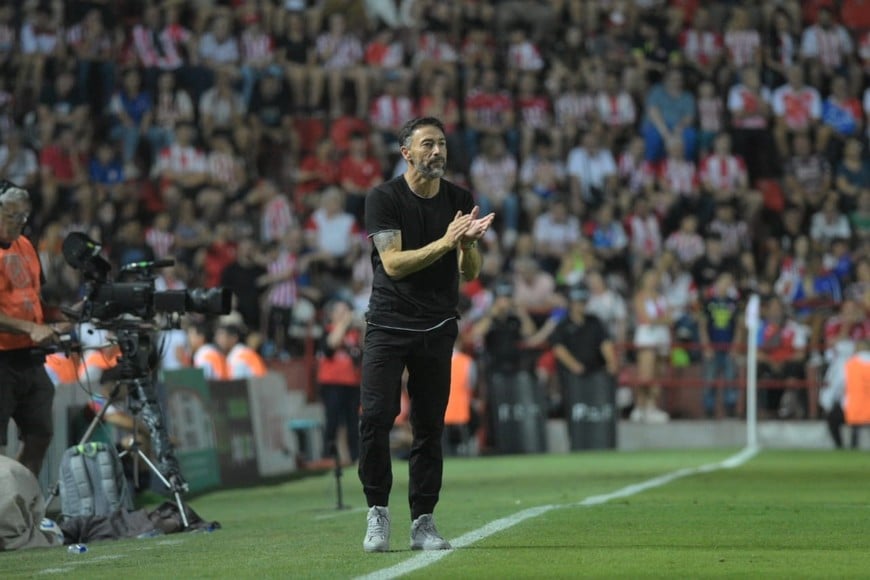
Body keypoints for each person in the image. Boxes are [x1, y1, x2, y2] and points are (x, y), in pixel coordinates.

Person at [359, 117, 493, 553]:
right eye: (428, 145)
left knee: (428, 427)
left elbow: (469, 274)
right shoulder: (384, 198)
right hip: (388, 322)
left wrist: (467, 244)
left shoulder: (459, 199)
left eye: (442, 145)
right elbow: (393, 264)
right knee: (376, 418)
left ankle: (423, 520)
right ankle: (377, 512)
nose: (437, 152)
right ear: (407, 153)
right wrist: (446, 240)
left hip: (437, 325)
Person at [0, 182, 64, 476]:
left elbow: (35, 296)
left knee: (40, 435)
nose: (19, 224)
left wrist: (60, 320)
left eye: (23, 217)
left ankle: (20, 505)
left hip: (30, 357)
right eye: (12, 216)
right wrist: (28, 326)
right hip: (2, 358)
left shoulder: (25, 245)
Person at [317, 298, 363, 465]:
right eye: (341, 311)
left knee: (353, 422)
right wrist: (343, 324)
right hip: (332, 383)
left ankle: (354, 456)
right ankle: (328, 455)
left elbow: (363, 350)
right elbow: (331, 346)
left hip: (352, 383)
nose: (345, 315)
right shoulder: (327, 330)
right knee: (333, 420)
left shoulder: (354, 334)